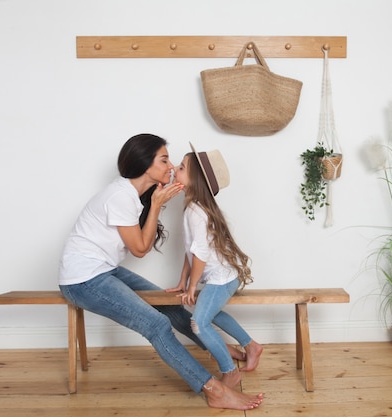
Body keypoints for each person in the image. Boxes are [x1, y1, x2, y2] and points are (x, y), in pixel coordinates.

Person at [58, 133, 263, 410]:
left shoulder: (135, 194)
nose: (170, 166)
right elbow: (140, 249)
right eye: (164, 159)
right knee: (156, 325)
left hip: (103, 271)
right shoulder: (121, 196)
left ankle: (215, 348)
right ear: (145, 164)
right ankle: (214, 390)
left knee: (170, 307)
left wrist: (154, 202)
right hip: (83, 280)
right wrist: (156, 205)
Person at [166, 143, 263, 388]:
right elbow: (191, 251)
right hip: (223, 276)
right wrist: (183, 281)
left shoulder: (196, 212)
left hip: (221, 278)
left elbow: (200, 254)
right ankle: (251, 346)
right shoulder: (193, 208)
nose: (174, 170)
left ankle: (230, 372)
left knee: (198, 322)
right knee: (211, 314)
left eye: (181, 167)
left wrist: (192, 287)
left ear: (195, 179)